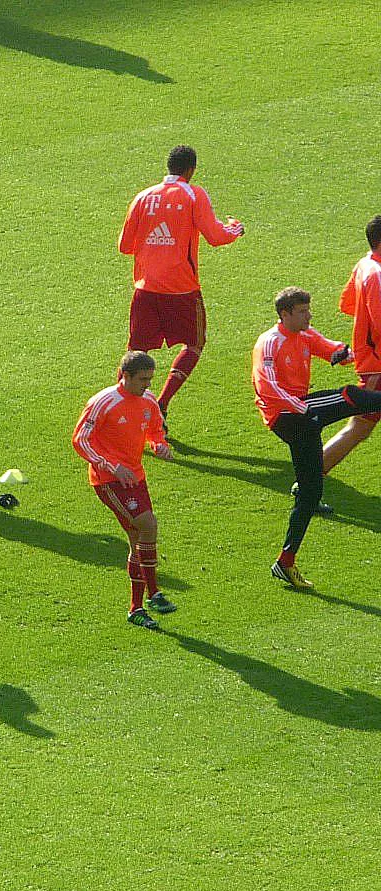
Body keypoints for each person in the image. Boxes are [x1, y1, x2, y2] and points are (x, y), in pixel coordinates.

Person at [250, 287, 381, 590]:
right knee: (351, 396)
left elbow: (333, 351)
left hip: (302, 419)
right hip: (287, 415)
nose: (309, 315)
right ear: (285, 314)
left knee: (310, 493)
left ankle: (285, 562)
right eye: (302, 311)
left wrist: (352, 351)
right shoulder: (270, 343)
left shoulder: (304, 335)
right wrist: (298, 406)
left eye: (308, 310)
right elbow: (265, 385)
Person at [119, 145, 244, 426]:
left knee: (135, 351)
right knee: (195, 344)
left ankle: (118, 408)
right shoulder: (193, 194)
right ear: (191, 170)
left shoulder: (143, 196)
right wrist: (235, 229)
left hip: (145, 287)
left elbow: (125, 246)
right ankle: (161, 405)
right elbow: (215, 236)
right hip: (181, 288)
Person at [72, 351, 175, 629]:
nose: (148, 385)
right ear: (125, 376)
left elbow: (155, 430)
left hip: (135, 478)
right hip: (109, 480)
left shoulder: (148, 401)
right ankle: (153, 593)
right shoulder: (103, 402)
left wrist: (158, 445)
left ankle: (136, 608)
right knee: (147, 525)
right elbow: (80, 439)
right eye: (143, 379)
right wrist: (112, 466)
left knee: (136, 538)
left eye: (150, 379)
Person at [318, 216, 381, 483]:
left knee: (359, 427)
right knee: (359, 427)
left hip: (372, 363)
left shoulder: (365, 265)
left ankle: (309, 477)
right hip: (378, 366)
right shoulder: (377, 275)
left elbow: (347, 304)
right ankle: (309, 479)